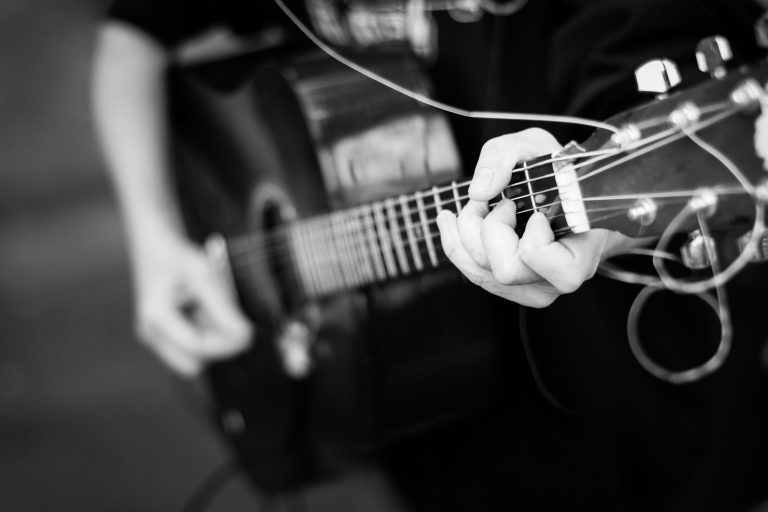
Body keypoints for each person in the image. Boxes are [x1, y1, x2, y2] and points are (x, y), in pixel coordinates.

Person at [93, 0, 768, 510]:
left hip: (631, 413)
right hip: (428, 407)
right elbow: (133, 34)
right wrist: (154, 239)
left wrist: (595, 229)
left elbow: (652, 115)